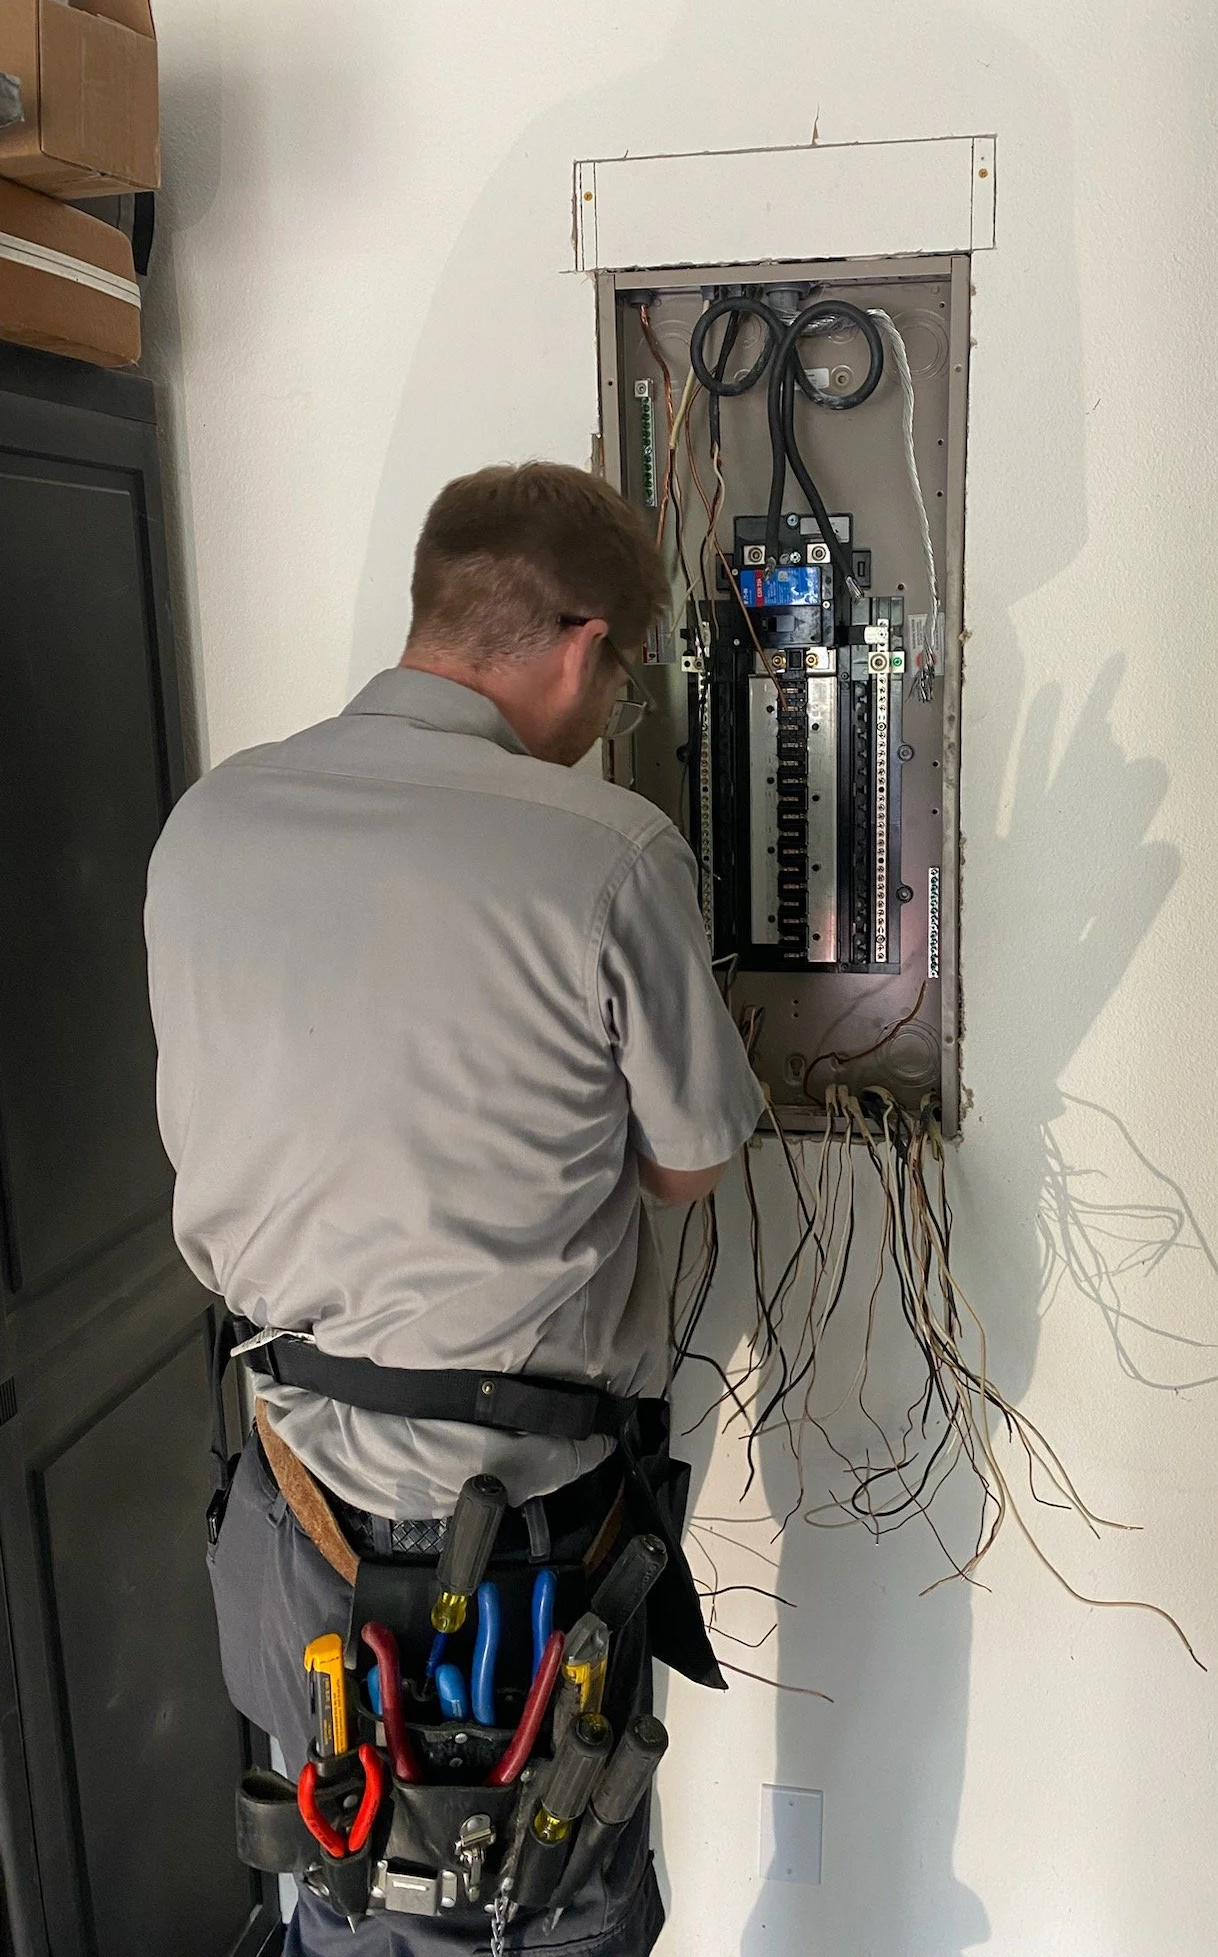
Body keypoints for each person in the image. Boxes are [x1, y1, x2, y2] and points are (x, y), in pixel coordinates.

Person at [144, 462, 764, 1956]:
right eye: (620, 680)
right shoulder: (606, 851)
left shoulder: (211, 822)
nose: (608, 717)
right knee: (532, 1905)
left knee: (346, 1883)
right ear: (582, 643)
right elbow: (690, 1164)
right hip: (514, 1539)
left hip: (289, 1505)